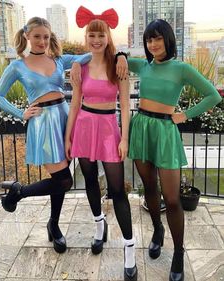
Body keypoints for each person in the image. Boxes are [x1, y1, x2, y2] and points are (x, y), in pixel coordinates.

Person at [124, 19, 222, 281]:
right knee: (150, 188)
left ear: (168, 40)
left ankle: (179, 252)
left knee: (173, 198)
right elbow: (109, 58)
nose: (153, 44)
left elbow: (213, 94)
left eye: (157, 38)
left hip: (166, 132)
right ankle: (157, 230)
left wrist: (186, 115)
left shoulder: (181, 69)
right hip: (142, 128)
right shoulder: (143, 66)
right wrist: (78, 62)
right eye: (148, 40)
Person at [0, 17, 92, 254]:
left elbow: (87, 56)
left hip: (64, 119)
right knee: (64, 180)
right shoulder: (17, 66)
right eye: (37, 36)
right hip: (43, 124)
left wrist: (76, 63)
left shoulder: (58, 60)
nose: (42, 41)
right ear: (27, 36)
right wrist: (21, 113)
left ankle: (54, 225)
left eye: (46, 37)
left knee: (60, 180)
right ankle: (19, 192)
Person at [65, 6, 137, 281]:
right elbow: (74, 104)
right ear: (86, 38)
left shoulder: (118, 64)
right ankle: (99, 226)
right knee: (90, 180)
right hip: (83, 126)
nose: (96, 39)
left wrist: (125, 139)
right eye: (91, 34)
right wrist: (67, 137)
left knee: (118, 190)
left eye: (101, 34)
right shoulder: (80, 66)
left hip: (108, 129)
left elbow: (126, 107)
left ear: (108, 37)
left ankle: (129, 248)